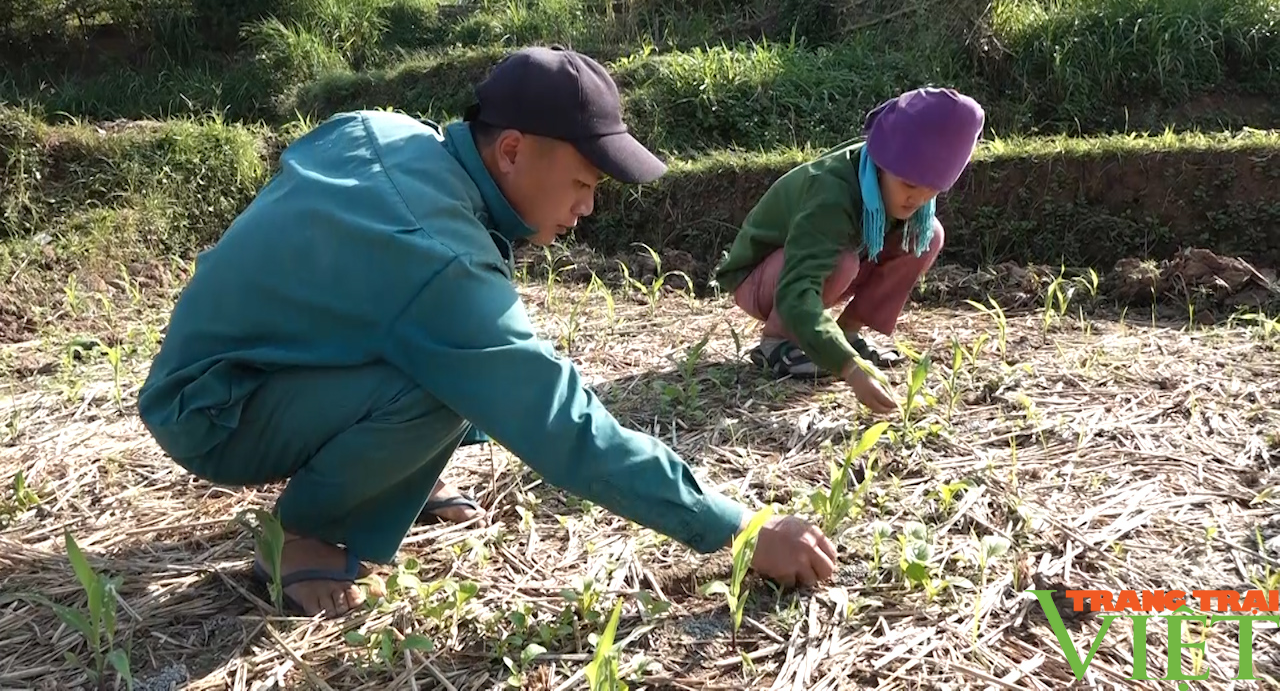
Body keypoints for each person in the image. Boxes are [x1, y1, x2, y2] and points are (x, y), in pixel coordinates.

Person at [136, 45, 838, 618]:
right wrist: (738, 530)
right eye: (584, 182)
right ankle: (299, 536)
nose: (588, 209)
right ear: (510, 151)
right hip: (214, 409)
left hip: (231, 367)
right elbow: (556, 422)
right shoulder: (436, 254)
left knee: (459, 368)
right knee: (446, 386)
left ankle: (388, 477)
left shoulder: (383, 132)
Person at [712, 87, 985, 414]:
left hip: (823, 265)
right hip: (761, 279)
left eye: (932, 190)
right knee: (842, 263)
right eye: (910, 186)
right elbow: (798, 288)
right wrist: (849, 369)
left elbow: (912, 222)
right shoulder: (831, 192)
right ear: (884, 164)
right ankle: (777, 342)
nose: (917, 200)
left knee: (927, 234)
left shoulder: (902, 184)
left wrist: (845, 350)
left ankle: (848, 331)